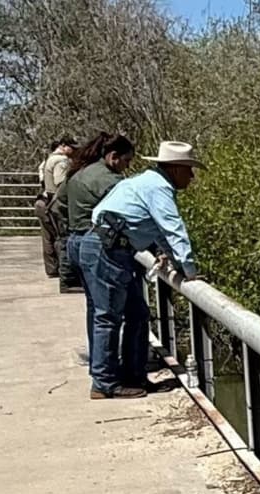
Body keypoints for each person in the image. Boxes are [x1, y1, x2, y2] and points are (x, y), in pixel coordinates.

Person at [84, 140, 203, 400]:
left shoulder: (146, 183)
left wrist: (172, 261)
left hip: (113, 248)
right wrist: (190, 272)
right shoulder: (158, 187)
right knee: (108, 318)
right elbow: (174, 230)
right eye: (189, 169)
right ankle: (104, 385)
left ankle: (133, 376)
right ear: (174, 168)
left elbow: (159, 233)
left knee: (137, 315)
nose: (192, 176)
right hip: (108, 249)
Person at [62, 133, 135, 366]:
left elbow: (58, 206)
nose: (127, 167)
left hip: (75, 241)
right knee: (108, 315)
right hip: (97, 243)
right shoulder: (108, 180)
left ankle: (99, 363)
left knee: (95, 309)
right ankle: (107, 374)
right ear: (113, 157)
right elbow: (129, 212)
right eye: (127, 161)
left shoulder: (78, 173)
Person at [35, 137, 76, 279]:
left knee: (47, 238)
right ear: (64, 146)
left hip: (43, 200)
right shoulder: (61, 161)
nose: (74, 150)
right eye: (72, 147)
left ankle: (51, 269)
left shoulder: (47, 160)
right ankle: (65, 270)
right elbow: (60, 183)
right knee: (61, 236)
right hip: (54, 202)